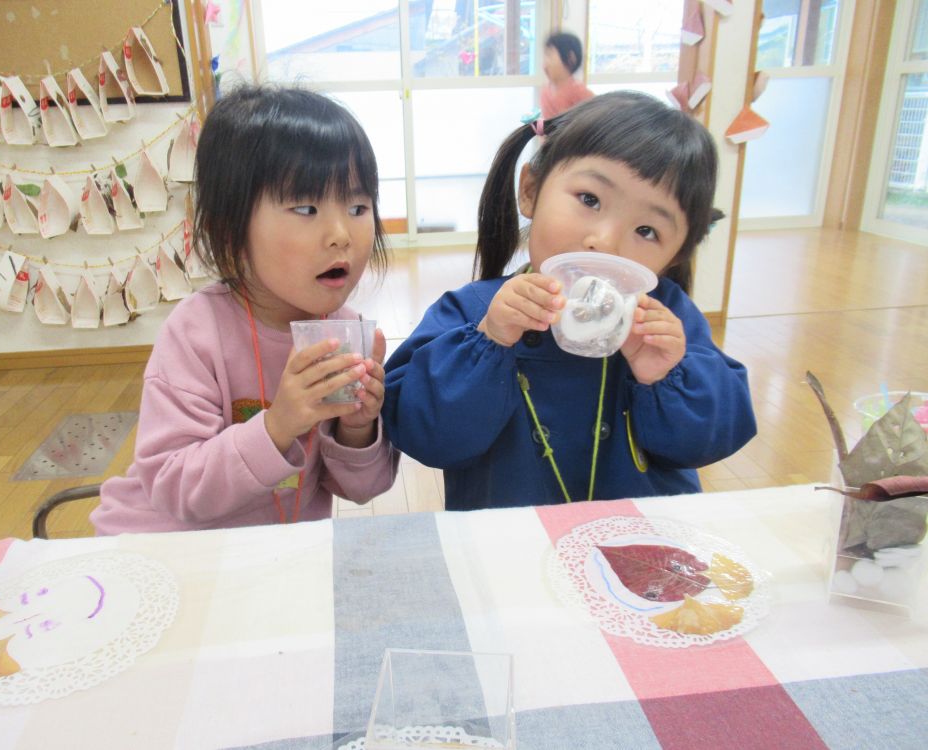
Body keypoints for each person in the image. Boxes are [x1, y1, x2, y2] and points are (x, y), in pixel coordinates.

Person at [382, 91, 756, 510]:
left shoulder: (669, 324)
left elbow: (712, 438)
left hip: (637, 550)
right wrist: (489, 340)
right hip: (509, 548)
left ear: (676, 255)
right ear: (530, 190)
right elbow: (422, 434)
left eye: (647, 230)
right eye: (590, 200)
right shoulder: (472, 311)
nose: (606, 242)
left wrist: (668, 377)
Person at [92, 84, 399, 534]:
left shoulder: (345, 332)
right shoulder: (197, 334)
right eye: (306, 207)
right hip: (165, 543)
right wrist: (278, 425)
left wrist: (358, 428)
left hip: (269, 553)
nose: (340, 234)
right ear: (230, 228)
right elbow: (172, 487)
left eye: (357, 206)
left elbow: (362, 488)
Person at [539, 32, 593, 119]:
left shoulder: (579, 92)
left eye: (550, 55)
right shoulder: (545, 91)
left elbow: (597, 118)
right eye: (545, 55)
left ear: (570, 59)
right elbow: (545, 124)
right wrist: (534, 128)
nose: (545, 63)